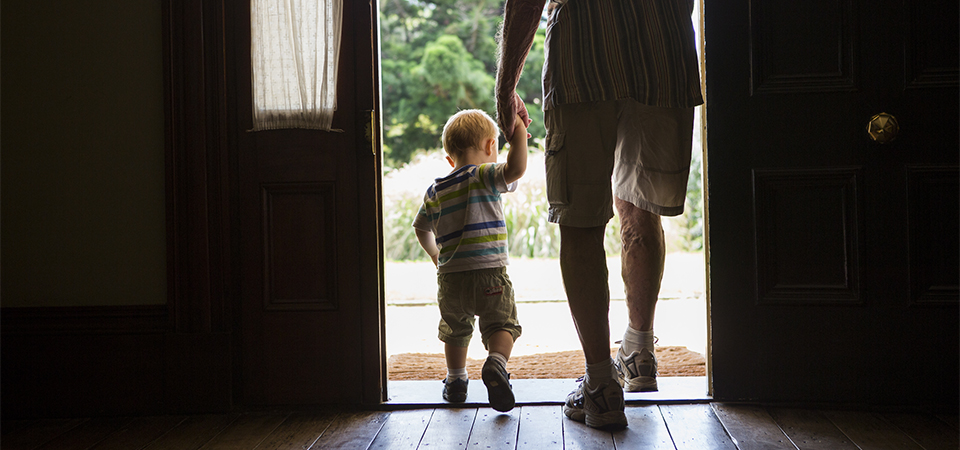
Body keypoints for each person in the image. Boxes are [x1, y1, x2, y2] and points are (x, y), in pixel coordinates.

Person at [496, 0, 704, 429]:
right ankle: (639, 353)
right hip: (664, 49)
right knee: (640, 206)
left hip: (586, 50)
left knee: (581, 220)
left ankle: (600, 386)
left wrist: (505, 85)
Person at [413, 109, 529, 412]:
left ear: (450, 158)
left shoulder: (435, 189)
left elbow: (420, 227)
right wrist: (518, 135)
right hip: (490, 274)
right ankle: (496, 363)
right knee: (502, 323)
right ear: (491, 147)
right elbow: (516, 169)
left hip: (451, 278)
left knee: (455, 329)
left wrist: (436, 256)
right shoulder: (485, 175)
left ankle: (455, 381)